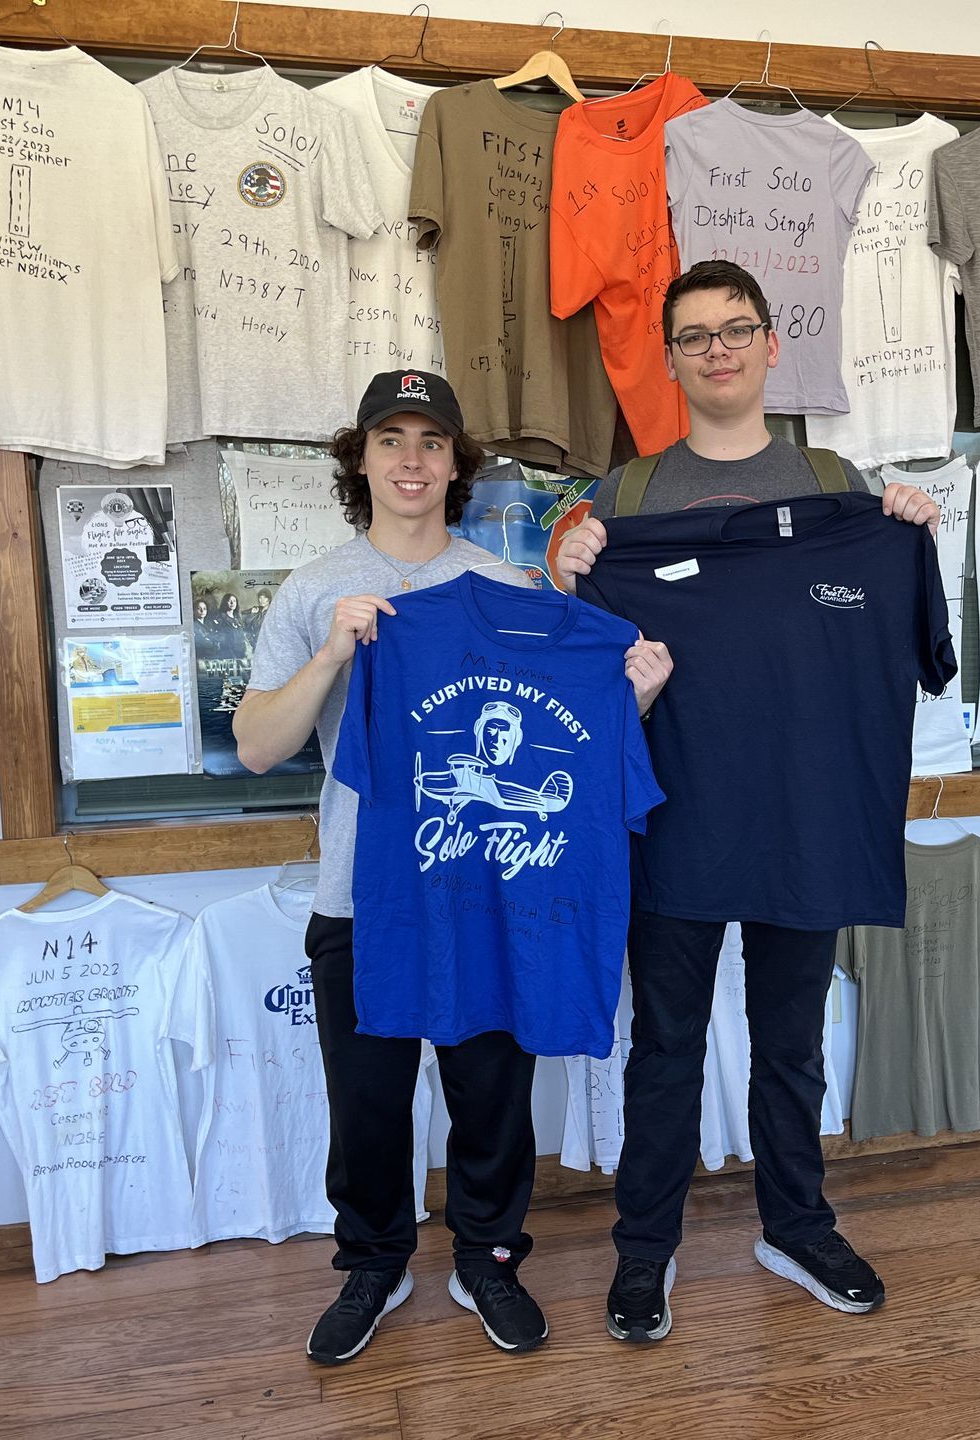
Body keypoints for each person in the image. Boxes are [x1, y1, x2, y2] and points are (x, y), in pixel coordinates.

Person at [234, 369, 674, 1365]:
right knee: (371, 1105)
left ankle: (488, 1257)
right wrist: (334, 656)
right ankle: (374, 1266)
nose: (412, 461)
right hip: (361, 897)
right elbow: (258, 744)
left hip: (489, 894)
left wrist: (631, 703)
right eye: (391, 440)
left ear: (456, 465)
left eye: (431, 443)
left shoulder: (506, 588)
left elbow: (555, 746)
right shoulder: (316, 592)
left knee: (491, 1100)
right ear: (360, 459)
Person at [556, 260, 941, 1344]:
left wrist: (907, 524)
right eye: (694, 336)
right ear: (671, 359)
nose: (718, 350)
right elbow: (575, 683)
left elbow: (906, 645)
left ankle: (797, 1225)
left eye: (737, 329)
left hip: (806, 811)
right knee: (667, 1042)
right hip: (671, 812)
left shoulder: (838, 488)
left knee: (793, 1039)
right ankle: (645, 1254)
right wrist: (572, 572)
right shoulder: (626, 497)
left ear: (773, 345)